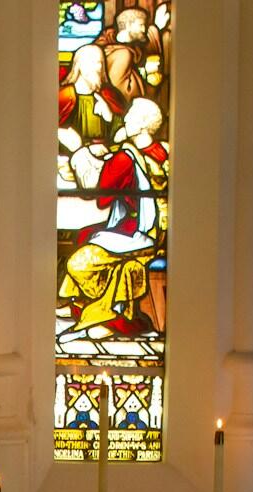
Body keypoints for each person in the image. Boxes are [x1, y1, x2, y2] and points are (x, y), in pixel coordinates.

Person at [60, 98, 167, 339]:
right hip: (159, 233)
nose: (125, 119)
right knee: (86, 235)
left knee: (77, 262)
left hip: (136, 235)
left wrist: (79, 152)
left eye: (130, 115)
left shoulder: (126, 158)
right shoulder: (163, 153)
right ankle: (83, 304)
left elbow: (100, 195)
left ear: (141, 124)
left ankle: (101, 311)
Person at [57, 44, 125, 156]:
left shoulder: (108, 94)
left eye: (100, 62)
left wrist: (110, 117)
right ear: (79, 65)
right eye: (93, 62)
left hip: (105, 156)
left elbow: (122, 132)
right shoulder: (64, 96)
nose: (98, 67)